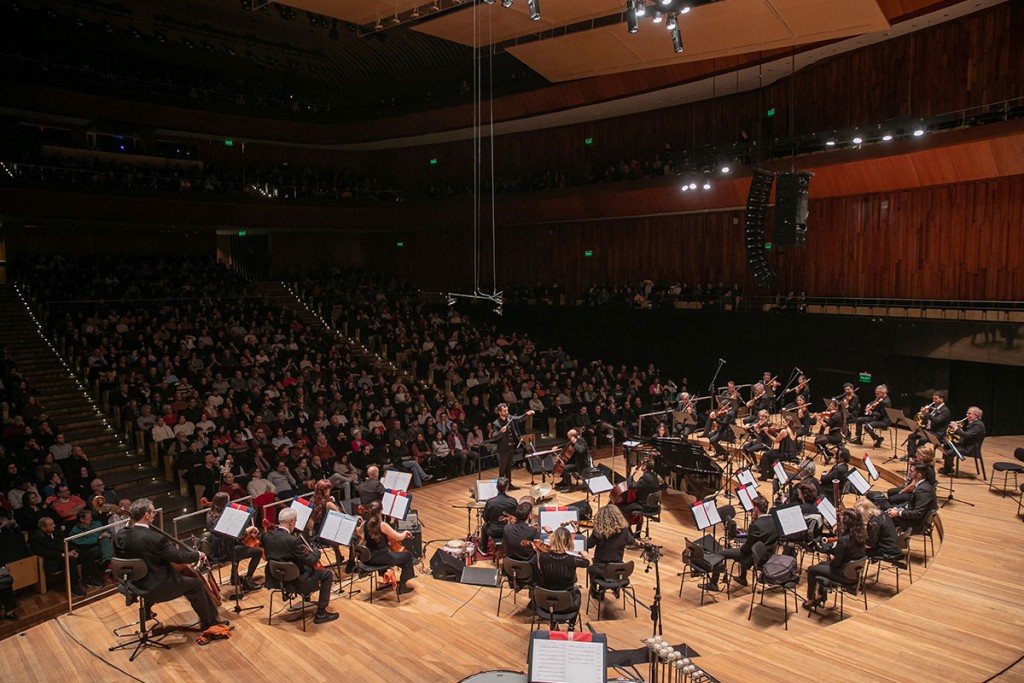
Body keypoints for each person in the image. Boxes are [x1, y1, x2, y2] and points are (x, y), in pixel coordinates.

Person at [114, 498, 224, 630]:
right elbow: (177, 557)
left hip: (134, 585)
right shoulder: (156, 539)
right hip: (157, 587)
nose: (154, 516)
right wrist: (197, 554)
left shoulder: (121, 535)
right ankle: (209, 623)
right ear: (147, 515)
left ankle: (147, 611)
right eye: (153, 513)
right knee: (196, 585)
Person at [261, 507, 338, 624]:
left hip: (276, 578)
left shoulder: (266, 537)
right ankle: (321, 613)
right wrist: (316, 551)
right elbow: (311, 560)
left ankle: (306, 597)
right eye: (295, 521)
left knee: (301, 566)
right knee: (327, 574)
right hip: (295, 581)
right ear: (291, 522)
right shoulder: (292, 541)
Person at [706, 495, 777, 590]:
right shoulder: (773, 520)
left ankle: (713, 584)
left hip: (753, 557)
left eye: (752, 509)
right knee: (744, 546)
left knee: (720, 553)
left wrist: (742, 546)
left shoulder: (755, 525)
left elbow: (746, 549)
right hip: (767, 553)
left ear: (756, 509)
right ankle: (742, 578)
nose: (751, 511)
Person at [803, 508, 867, 610]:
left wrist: (829, 555)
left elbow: (836, 564)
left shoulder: (843, 540)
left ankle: (810, 600)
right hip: (853, 573)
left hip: (843, 573)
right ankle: (820, 595)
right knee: (821, 564)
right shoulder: (861, 535)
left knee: (811, 569)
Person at [354, 501, 416, 595]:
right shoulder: (382, 525)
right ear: (381, 511)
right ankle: (403, 586)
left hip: (367, 558)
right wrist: (405, 532)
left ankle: (386, 575)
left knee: (399, 557)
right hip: (380, 558)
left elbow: (358, 533)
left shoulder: (365, 523)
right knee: (408, 557)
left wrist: (358, 521)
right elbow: (398, 537)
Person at [206, 493, 262, 592]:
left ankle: (234, 577)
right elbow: (237, 534)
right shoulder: (225, 518)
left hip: (215, 550)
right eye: (228, 500)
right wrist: (250, 528)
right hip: (227, 551)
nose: (230, 502)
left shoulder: (210, 514)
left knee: (240, 547)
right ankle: (248, 579)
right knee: (258, 552)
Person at [534, 526, 591, 612]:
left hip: (546, 600)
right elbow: (589, 563)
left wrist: (538, 552)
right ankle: (571, 624)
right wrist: (585, 554)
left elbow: (540, 568)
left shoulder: (543, 557)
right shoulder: (573, 559)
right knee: (578, 592)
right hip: (567, 602)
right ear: (569, 542)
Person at [30, 516, 89, 596]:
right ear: (43, 528)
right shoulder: (36, 538)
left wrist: (73, 550)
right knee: (71, 560)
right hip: (52, 561)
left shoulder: (56, 531)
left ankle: (91, 578)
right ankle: (73, 587)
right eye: (51, 525)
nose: (54, 525)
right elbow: (44, 553)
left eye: (53, 523)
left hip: (64, 554)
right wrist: (64, 554)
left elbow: (64, 542)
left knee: (86, 553)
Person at [586, 505, 634, 599]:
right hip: (617, 571)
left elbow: (588, 545)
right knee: (610, 568)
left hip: (600, 569)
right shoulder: (624, 531)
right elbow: (632, 542)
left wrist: (578, 533)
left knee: (590, 564)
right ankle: (615, 588)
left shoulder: (598, 532)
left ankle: (595, 591)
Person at [492, 403, 534, 490]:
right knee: (502, 468)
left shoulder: (509, 417)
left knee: (509, 467)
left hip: (511, 446)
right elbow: (495, 437)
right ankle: (500, 487)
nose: (506, 412)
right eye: (504, 411)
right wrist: (501, 432)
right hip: (502, 448)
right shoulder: (496, 423)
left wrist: (527, 414)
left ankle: (509, 484)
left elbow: (519, 419)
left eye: (507, 410)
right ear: (499, 412)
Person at [888, 463, 937, 533]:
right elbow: (911, 504)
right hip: (912, 516)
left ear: (919, 475)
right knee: (886, 512)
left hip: (916, 524)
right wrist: (896, 508)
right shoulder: (922, 485)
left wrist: (898, 513)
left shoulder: (923, 491)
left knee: (884, 520)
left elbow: (918, 513)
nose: (909, 473)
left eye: (911, 471)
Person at [618, 459, 660, 535]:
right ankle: (638, 533)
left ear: (645, 467)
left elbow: (630, 486)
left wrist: (631, 474)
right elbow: (642, 487)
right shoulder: (654, 477)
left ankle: (629, 535)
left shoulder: (645, 478)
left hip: (645, 506)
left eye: (643, 464)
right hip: (654, 506)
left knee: (621, 508)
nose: (641, 466)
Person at [941, 405, 986, 475]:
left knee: (949, 452)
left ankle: (948, 468)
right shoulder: (973, 423)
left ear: (976, 415)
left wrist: (956, 428)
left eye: (969, 414)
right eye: (967, 413)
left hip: (970, 448)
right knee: (947, 445)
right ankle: (948, 467)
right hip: (965, 444)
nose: (967, 415)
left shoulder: (979, 425)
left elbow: (967, 435)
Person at [907, 393, 951, 460]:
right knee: (912, 435)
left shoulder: (945, 411)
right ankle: (911, 455)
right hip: (928, 431)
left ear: (942, 399)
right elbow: (928, 420)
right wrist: (923, 415)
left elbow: (936, 421)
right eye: (933, 398)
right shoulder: (934, 408)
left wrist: (927, 414)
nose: (934, 400)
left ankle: (917, 456)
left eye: (936, 399)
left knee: (922, 440)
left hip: (937, 433)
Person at [481, 477, 517, 555]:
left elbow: (485, 519)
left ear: (496, 487)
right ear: (507, 487)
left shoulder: (490, 502)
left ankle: (484, 550)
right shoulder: (513, 501)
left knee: (484, 527)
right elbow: (516, 517)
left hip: (494, 532)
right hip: (509, 531)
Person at [852, 384, 891, 448]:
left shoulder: (886, 402)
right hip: (876, 418)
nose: (876, 395)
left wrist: (871, 412)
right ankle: (858, 439)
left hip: (883, 421)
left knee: (867, 426)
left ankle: (877, 439)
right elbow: (874, 401)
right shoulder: (880, 398)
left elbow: (881, 415)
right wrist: (869, 405)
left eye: (877, 394)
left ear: (882, 393)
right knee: (859, 420)